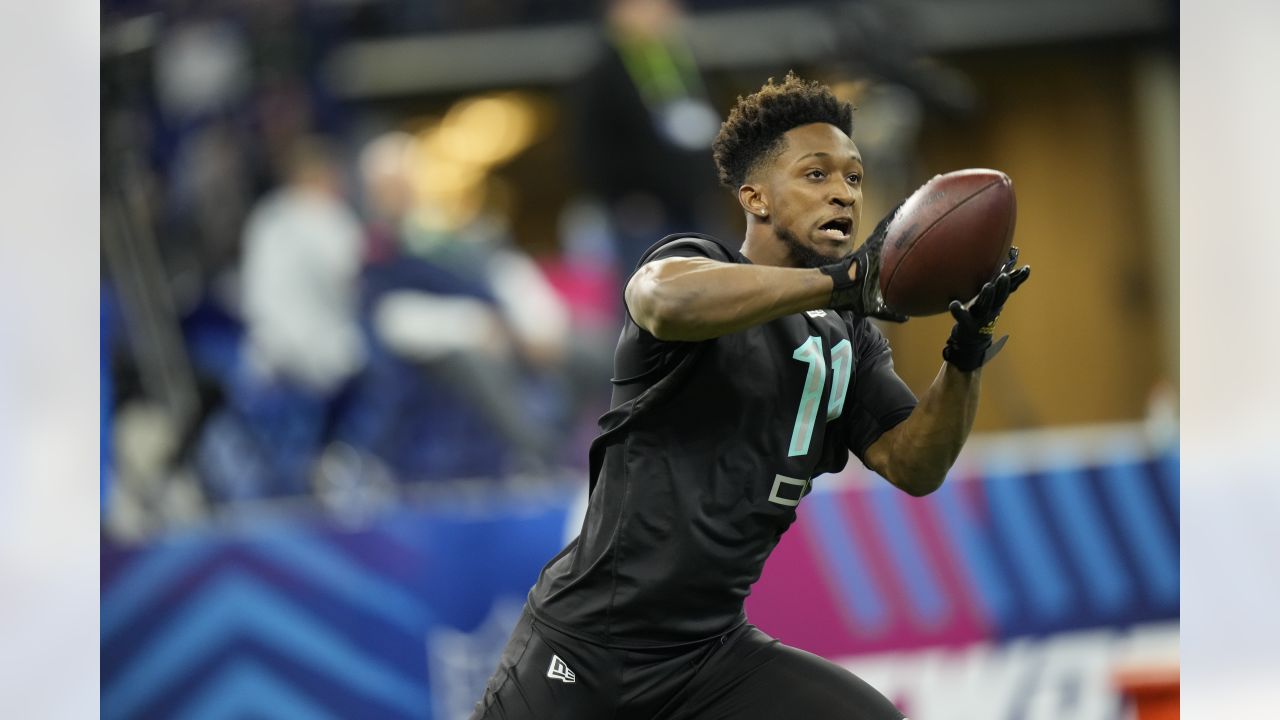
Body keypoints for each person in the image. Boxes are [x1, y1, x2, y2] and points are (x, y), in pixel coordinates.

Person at [471, 72, 1030, 720]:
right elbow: (661, 299)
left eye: (853, 177)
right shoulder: (695, 263)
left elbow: (914, 464)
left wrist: (963, 355)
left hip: (708, 658)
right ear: (756, 197)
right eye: (817, 174)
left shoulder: (846, 332)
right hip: (588, 649)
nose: (845, 194)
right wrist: (843, 279)